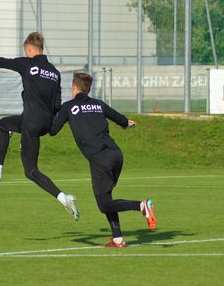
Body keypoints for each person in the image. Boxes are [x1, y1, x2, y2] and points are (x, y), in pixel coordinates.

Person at [0, 32, 79, 221]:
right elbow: (56, 105)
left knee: (30, 170)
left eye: (26, 51)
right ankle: (63, 198)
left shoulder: (27, 64)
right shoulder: (54, 72)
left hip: (31, 122)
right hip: (45, 123)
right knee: (3, 125)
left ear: (29, 49)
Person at [50, 72, 156, 247]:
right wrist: (126, 124)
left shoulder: (68, 107)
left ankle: (141, 206)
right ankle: (117, 238)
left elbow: (53, 131)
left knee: (104, 204)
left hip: (100, 159)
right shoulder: (98, 105)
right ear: (88, 88)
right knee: (107, 198)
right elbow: (118, 118)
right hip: (116, 154)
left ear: (74, 88)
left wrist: (49, 116)